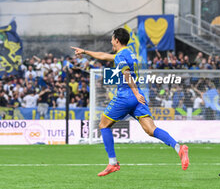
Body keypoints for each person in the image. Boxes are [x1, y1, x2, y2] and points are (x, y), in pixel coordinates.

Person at [71, 28, 189, 177]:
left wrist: (135, 93)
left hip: (126, 95)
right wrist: (86, 52)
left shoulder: (120, 55)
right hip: (137, 97)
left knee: (103, 124)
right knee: (150, 129)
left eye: (112, 39)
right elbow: (104, 56)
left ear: (117, 40)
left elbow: (126, 73)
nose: (111, 42)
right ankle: (179, 148)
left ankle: (113, 163)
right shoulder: (129, 52)